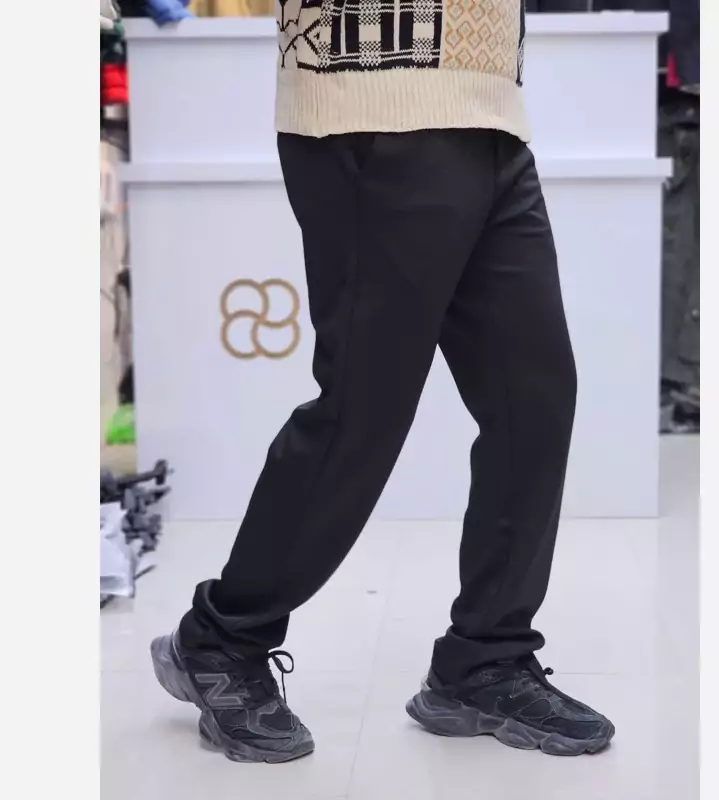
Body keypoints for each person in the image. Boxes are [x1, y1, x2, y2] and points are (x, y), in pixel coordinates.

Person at [151, 0, 614, 763]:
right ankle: (221, 639)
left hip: (490, 109)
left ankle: (485, 659)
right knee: (363, 408)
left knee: (534, 398)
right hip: (369, 100)